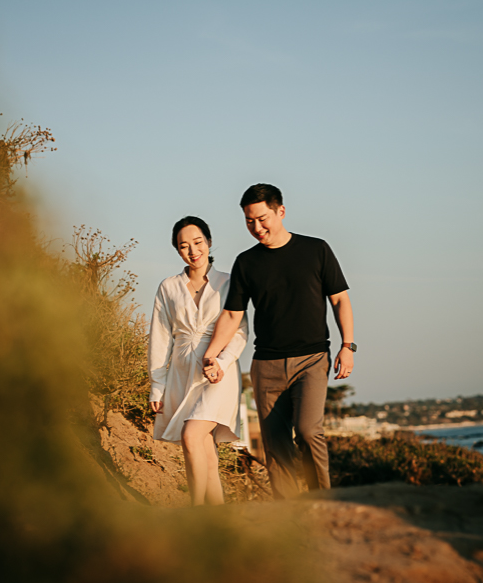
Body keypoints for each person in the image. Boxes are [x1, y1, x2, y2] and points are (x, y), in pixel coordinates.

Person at [199, 183, 355, 500]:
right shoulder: (247, 263)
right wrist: (211, 355)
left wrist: (347, 345)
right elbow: (231, 315)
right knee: (276, 444)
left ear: (280, 211)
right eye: (248, 221)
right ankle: (288, 516)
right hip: (266, 366)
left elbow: (340, 299)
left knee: (309, 431)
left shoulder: (316, 250)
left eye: (262, 218)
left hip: (311, 360)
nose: (256, 227)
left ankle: (323, 503)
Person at [148, 216, 247, 505]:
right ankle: (217, 521)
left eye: (198, 242)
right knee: (204, 450)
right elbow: (160, 337)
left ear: (209, 242)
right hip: (181, 373)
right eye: (184, 246)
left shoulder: (229, 283)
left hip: (218, 372)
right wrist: (157, 385)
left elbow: (240, 331)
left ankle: (194, 512)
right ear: (177, 250)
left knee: (191, 435)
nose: (193, 250)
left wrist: (224, 361)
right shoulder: (168, 287)